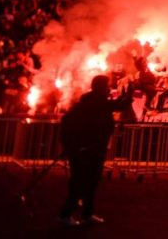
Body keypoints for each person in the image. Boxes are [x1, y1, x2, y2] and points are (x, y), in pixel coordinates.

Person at [58, 75, 128, 226]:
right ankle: (66, 214)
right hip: (86, 149)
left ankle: (86, 214)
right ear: (101, 87)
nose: (109, 88)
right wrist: (128, 96)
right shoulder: (95, 101)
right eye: (107, 86)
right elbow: (119, 105)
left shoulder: (90, 100)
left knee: (91, 182)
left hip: (93, 148)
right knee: (80, 182)